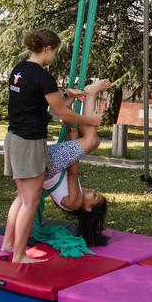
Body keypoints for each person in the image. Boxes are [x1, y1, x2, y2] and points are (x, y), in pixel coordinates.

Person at [0, 28, 108, 264]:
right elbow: (62, 113)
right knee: (30, 201)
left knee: (22, 198)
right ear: (47, 49)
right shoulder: (43, 76)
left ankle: (9, 243)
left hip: (15, 138)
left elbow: (42, 104)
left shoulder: (19, 70)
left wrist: (64, 94)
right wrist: (90, 120)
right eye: (55, 52)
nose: (55, 57)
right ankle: (18, 255)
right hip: (30, 143)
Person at [42, 96, 109, 246]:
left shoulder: (74, 202)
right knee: (84, 138)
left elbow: (72, 172)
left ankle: (90, 94)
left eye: (95, 195)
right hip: (51, 166)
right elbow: (66, 166)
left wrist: (73, 143)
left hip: (49, 168)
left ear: (88, 207)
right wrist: (70, 139)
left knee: (92, 141)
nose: (93, 190)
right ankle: (68, 111)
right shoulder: (74, 202)